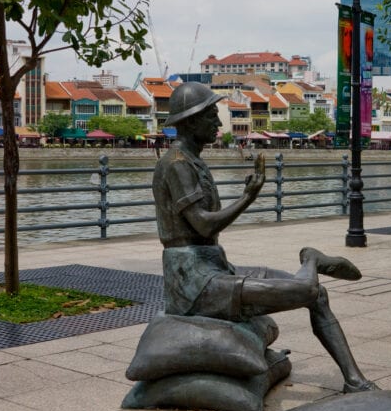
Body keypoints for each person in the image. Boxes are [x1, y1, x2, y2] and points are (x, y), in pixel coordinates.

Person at [153, 82, 378, 393]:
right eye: (211, 115)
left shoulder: (192, 160)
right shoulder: (177, 164)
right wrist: (249, 196)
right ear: (191, 122)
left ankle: (354, 380)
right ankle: (311, 260)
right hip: (194, 285)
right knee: (308, 289)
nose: (218, 122)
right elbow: (204, 226)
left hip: (214, 269)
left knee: (317, 295)